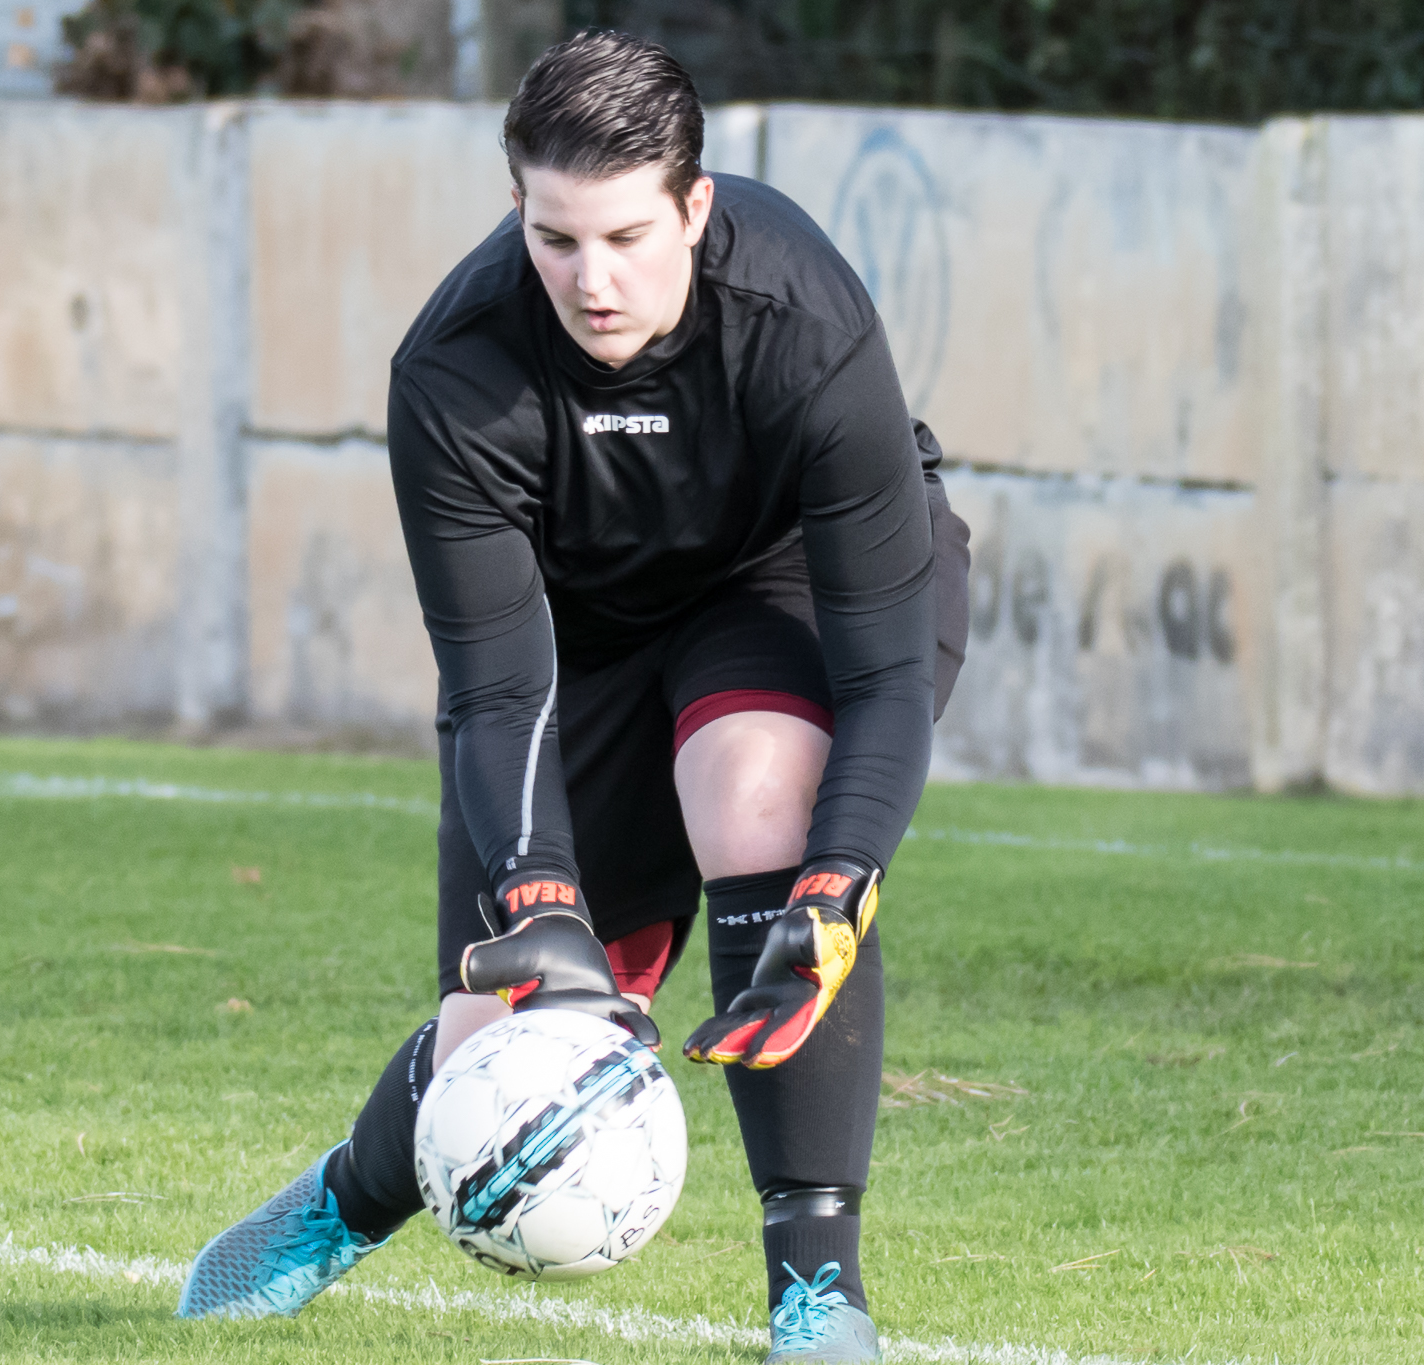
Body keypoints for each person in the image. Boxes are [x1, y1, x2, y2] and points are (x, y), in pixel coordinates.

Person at [176, 29, 969, 1363]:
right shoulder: (454, 371)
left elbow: (885, 669)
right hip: (584, 642)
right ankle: (346, 1198)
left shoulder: (807, 324)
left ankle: (818, 1292)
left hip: (777, 585)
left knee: (762, 803)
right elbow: (496, 682)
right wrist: (541, 895)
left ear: (694, 208)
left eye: (626, 237)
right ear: (516, 209)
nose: (592, 281)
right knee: (495, 1035)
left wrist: (839, 884)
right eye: (554, 239)